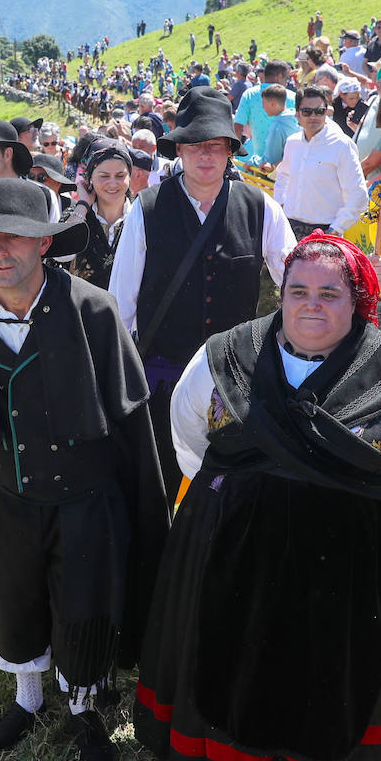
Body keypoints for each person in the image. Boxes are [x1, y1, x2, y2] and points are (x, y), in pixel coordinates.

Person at [133, 232, 381, 761]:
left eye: (329, 293)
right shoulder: (227, 354)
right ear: (280, 294)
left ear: (358, 300)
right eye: (298, 291)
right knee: (208, 646)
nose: (311, 304)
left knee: (320, 667)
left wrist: (365, 502)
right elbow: (188, 434)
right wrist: (229, 500)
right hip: (225, 542)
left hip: (340, 557)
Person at [0, 178, 169, 761]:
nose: (1, 251)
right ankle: (27, 700)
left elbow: (132, 427)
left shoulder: (93, 311)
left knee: (82, 605)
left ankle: (82, 709)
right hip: (6, 495)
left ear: (44, 245)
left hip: (84, 498)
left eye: (16, 238)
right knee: (16, 598)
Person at [108, 86, 297, 498]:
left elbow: (296, 279)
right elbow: (121, 302)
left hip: (235, 376)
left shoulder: (260, 206)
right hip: (163, 373)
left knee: (229, 483)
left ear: (231, 149)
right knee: (161, 481)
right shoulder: (147, 208)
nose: (206, 155)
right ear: (179, 150)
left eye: (215, 145)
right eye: (195, 145)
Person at [273, 84, 368, 239]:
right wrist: (281, 206)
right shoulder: (293, 142)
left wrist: (335, 230)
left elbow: (357, 195)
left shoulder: (341, 145)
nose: (313, 116)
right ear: (297, 114)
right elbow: (283, 176)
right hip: (289, 227)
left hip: (325, 231)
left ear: (326, 112)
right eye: (307, 111)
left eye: (319, 111)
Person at [67, 140, 133, 289]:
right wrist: (83, 205)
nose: (112, 183)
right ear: (90, 178)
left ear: (130, 176)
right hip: (83, 310)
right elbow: (61, 254)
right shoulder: (77, 215)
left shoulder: (141, 216)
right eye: (104, 176)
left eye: (120, 175)